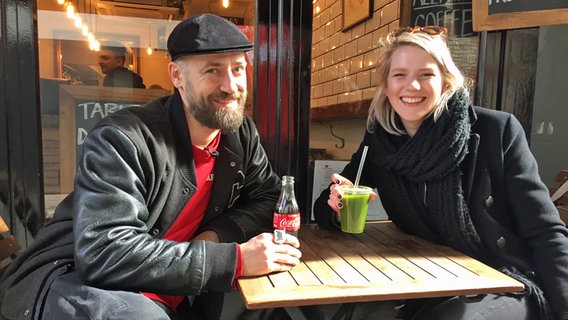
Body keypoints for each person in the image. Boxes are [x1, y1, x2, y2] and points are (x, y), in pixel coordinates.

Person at [0, 13, 301, 320]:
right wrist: (233, 259)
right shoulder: (122, 138)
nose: (230, 85)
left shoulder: (240, 135)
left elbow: (269, 198)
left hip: (175, 287)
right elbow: (104, 253)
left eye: (238, 69)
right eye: (213, 70)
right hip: (79, 281)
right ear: (177, 76)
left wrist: (216, 235)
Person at [313, 26, 568, 320]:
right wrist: (336, 205)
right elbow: (330, 200)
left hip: (503, 279)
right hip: (431, 278)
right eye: (400, 75)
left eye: (426, 74)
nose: (413, 86)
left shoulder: (496, 132)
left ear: (446, 82)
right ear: (386, 85)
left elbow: (545, 230)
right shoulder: (381, 141)